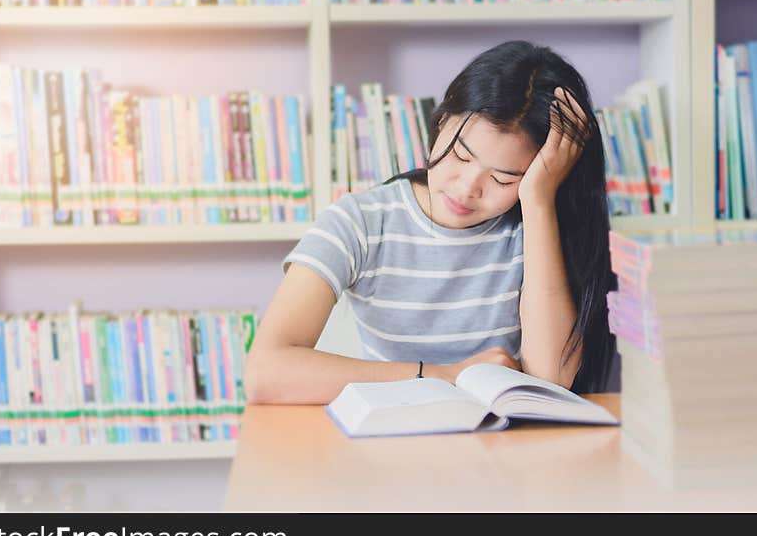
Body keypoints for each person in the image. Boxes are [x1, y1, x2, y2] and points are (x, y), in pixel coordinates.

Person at [245, 40, 615, 404]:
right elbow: (265, 372)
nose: (467, 188)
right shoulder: (361, 222)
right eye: (459, 155)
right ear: (439, 125)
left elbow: (552, 380)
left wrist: (536, 200)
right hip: (393, 440)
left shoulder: (537, 230)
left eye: (504, 178)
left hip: (505, 450)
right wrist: (442, 376)